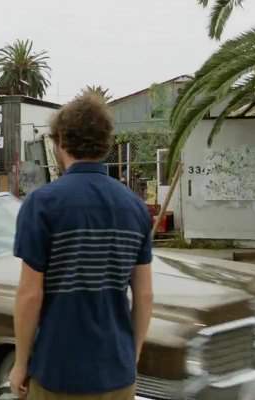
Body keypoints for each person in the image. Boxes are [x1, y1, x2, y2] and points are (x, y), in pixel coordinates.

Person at [9, 94, 154, 400]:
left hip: (59, 374)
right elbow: (144, 294)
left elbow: (30, 294)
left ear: (60, 141)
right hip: (118, 374)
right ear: (105, 143)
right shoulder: (135, 207)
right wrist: (132, 354)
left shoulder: (42, 204)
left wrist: (20, 363)